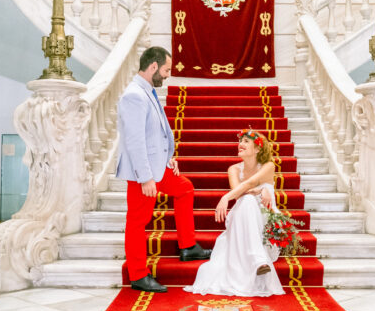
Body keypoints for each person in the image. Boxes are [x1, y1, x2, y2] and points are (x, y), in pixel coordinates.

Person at [116, 46, 211, 293]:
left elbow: (154, 133)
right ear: (154, 67)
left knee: (185, 188)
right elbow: (135, 140)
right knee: (138, 221)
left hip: (158, 167)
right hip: (143, 174)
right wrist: (146, 178)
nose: (168, 75)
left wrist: (169, 157)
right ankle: (138, 275)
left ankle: (188, 247)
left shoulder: (148, 91)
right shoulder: (134, 95)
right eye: (167, 70)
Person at [184, 129, 284, 297]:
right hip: (241, 217)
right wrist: (259, 191)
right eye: (241, 141)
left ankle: (257, 257)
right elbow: (237, 190)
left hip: (265, 218)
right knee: (247, 201)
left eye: (246, 141)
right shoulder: (234, 169)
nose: (241, 144)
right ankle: (259, 261)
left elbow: (249, 183)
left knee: (248, 201)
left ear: (258, 149)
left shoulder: (268, 166)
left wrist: (225, 198)